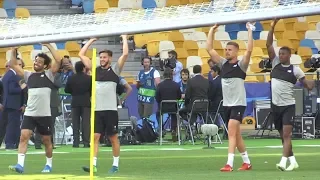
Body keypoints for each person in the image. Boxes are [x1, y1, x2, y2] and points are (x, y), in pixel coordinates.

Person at [267, 19, 314, 171]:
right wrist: (272, 27)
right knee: (282, 136)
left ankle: (283, 161)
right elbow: (268, 45)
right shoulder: (275, 64)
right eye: (279, 53)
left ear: (289, 56)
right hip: (275, 106)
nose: (280, 55)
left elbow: (307, 84)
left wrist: (310, 84)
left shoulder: (296, 70)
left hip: (288, 106)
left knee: (287, 135)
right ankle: (293, 161)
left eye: (283, 54)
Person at [207, 22, 253, 172]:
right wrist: (212, 31)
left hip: (238, 103)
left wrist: (250, 31)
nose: (227, 52)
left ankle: (229, 163)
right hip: (227, 104)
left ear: (236, 51)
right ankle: (246, 162)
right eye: (226, 49)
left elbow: (250, 50)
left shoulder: (241, 65)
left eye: (230, 50)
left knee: (232, 132)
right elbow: (209, 49)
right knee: (237, 134)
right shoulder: (222, 64)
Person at [8, 43, 62, 173]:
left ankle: (48, 164)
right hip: (30, 113)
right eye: (35, 60)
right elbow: (13, 64)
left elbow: (59, 60)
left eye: (39, 62)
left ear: (45, 65)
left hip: (44, 114)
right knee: (24, 136)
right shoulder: (28, 75)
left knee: (46, 141)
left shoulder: (49, 74)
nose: (36, 63)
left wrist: (48, 46)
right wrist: (15, 50)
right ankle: (20, 165)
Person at [79, 35, 128, 174]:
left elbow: (125, 54)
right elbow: (81, 54)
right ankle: (93, 164)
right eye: (100, 57)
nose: (102, 59)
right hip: (97, 110)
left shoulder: (115, 70)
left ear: (110, 59)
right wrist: (91, 41)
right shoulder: (94, 70)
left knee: (113, 138)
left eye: (104, 57)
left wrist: (124, 38)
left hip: (110, 110)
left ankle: (115, 165)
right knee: (95, 137)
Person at [64, 61, 92, 148]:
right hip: (86, 102)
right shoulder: (89, 78)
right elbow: (92, 90)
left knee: (75, 123)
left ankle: (75, 142)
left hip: (75, 102)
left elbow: (66, 90)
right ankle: (86, 142)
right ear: (84, 68)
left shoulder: (71, 78)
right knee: (86, 123)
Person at [0, 58, 26, 150]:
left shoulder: (7, 75)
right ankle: (10, 144)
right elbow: (12, 90)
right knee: (12, 125)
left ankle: (11, 143)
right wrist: (23, 87)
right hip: (13, 103)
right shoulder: (13, 76)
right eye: (17, 65)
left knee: (5, 124)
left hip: (7, 103)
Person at [155, 68, 182, 142]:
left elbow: (157, 98)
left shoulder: (160, 85)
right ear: (172, 75)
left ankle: (162, 129)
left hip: (163, 108)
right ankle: (173, 130)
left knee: (158, 114)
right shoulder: (176, 85)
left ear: (163, 76)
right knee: (174, 115)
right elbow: (179, 97)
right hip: (173, 107)